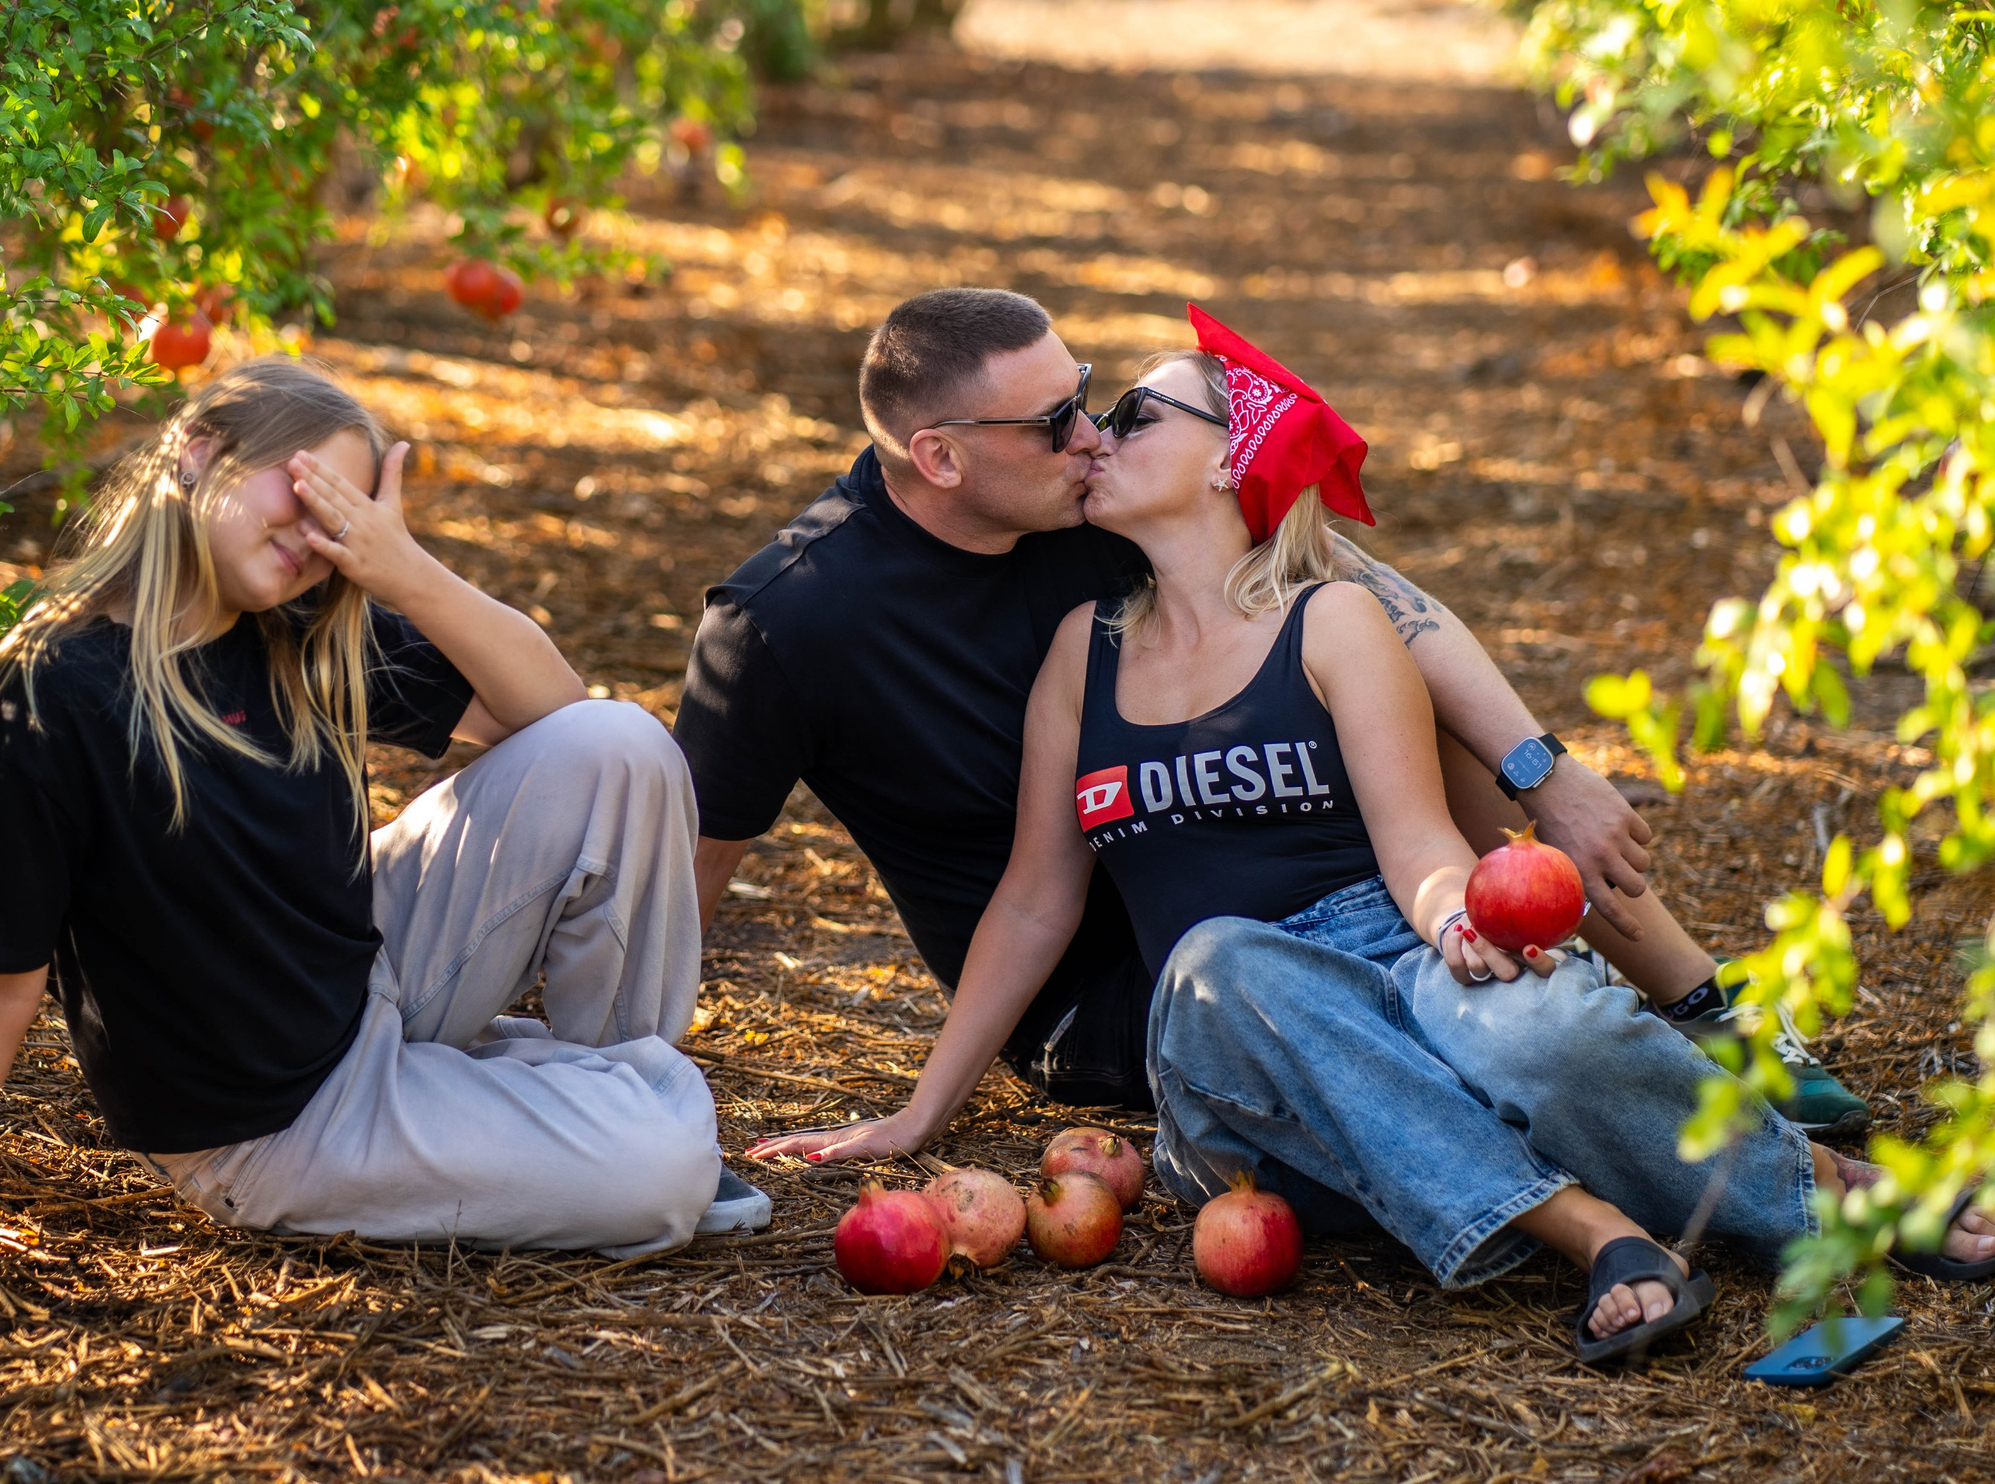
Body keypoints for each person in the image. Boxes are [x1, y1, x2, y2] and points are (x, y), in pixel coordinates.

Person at [753, 317, 1995, 1365]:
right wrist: (922, 1110)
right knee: (1216, 960)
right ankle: (1598, 1231)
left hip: (1394, 956)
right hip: (1242, 1028)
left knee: (1548, 1028)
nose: (1096, 431)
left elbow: (1418, 844)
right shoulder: (1077, 661)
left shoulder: (1331, 622)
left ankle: (1820, 1193)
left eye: (1137, 411)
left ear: (1221, 464)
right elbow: (1035, 900)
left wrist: (1455, 918)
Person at [675, 287, 1867, 1130]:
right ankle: (1662, 1106)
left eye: (1095, 400)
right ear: (939, 458)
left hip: (1303, 893)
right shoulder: (786, 622)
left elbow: (1375, 598)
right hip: (1135, 987)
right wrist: (638, 1085)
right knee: (1441, 1021)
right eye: (1057, 424)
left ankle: (1701, 1006)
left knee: (1421, 711)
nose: (1090, 436)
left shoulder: (1081, 515)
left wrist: (1543, 769)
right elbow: (693, 871)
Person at [0, 360, 764, 1297]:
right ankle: (618, 1126)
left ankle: (596, 1095)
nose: (313, 538)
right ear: (199, 449)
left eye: (345, 517)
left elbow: (550, 710)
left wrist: (402, 570)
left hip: (360, 975)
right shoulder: (46, 699)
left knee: (621, 745)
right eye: (304, 492)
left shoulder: (301, 619)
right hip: (274, 1122)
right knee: (666, 1167)